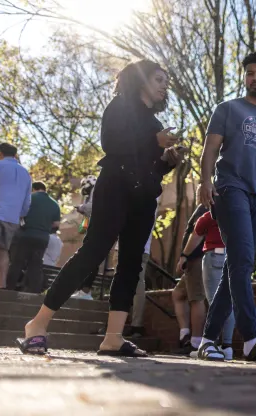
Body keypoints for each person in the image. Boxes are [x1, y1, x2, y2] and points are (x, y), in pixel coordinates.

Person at [17, 59, 185, 357]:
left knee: (132, 263)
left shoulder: (156, 123)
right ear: (143, 79)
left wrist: (167, 161)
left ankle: (113, 338)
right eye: (159, 79)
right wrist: (153, 141)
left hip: (143, 197)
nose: (164, 86)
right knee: (92, 253)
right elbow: (112, 144)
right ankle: (37, 324)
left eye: (166, 81)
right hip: (114, 189)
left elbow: (150, 166)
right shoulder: (119, 106)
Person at [197, 52, 256, 361]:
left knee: (237, 265)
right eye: (250, 73)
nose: (255, 78)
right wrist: (204, 181)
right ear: (244, 77)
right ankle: (252, 338)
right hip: (230, 187)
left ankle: (208, 340)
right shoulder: (227, 109)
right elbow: (210, 148)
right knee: (242, 261)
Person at [179, 209, 236, 360]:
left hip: (215, 255)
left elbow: (196, 235)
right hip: (234, 255)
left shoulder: (212, 213)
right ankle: (227, 347)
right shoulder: (240, 210)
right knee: (228, 301)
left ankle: (212, 345)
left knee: (215, 302)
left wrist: (184, 256)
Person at [0, 143, 32, 289]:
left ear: (0, 153)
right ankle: (2, 283)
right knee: (3, 249)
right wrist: (21, 214)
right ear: (15, 155)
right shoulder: (25, 173)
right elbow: (27, 199)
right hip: (12, 217)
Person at [7, 182, 61, 293]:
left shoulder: (29, 198)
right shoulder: (54, 204)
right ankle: (34, 292)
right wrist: (45, 228)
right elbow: (56, 224)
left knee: (17, 262)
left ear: (34, 189)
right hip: (43, 238)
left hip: (26, 234)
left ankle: (9, 289)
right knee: (36, 265)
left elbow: (19, 215)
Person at [172, 204, 209, 354]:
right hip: (194, 260)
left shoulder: (207, 207)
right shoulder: (202, 207)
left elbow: (197, 235)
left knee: (196, 298)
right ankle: (185, 335)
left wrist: (185, 256)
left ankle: (195, 343)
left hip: (198, 258)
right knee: (178, 294)